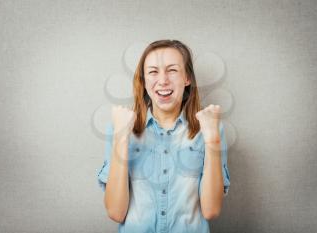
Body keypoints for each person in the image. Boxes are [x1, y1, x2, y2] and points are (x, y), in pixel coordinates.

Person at [97, 39, 230, 233]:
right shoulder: (119, 129)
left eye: (172, 70)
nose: (163, 80)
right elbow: (116, 212)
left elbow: (211, 211)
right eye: (153, 71)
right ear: (143, 81)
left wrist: (212, 139)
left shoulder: (211, 130)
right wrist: (121, 137)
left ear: (187, 78)